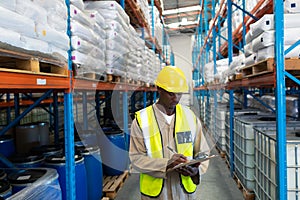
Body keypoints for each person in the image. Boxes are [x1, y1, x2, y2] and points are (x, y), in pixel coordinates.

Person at [129, 65, 209, 200]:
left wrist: (196, 171)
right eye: (171, 93)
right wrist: (165, 164)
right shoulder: (142, 120)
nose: (176, 98)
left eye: (179, 93)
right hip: (156, 194)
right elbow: (136, 159)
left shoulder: (190, 117)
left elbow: (203, 152)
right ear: (159, 89)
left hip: (184, 192)